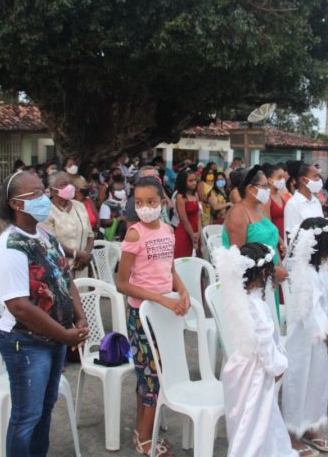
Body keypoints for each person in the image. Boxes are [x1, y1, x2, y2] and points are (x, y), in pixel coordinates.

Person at [0, 170, 89, 456]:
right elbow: (19, 306)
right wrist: (64, 335)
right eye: (34, 194)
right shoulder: (10, 247)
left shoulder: (44, 235)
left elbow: (65, 278)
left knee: (45, 408)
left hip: (53, 338)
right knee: (27, 415)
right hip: (26, 342)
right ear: (15, 204)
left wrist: (79, 317)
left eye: (43, 191)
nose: (43, 197)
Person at [116, 176, 190, 457]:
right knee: (150, 377)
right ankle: (145, 439)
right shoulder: (134, 234)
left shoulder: (168, 231)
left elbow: (169, 270)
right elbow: (122, 284)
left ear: (162, 202)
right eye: (139, 203)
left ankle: (143, 430)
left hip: (164, 314)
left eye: (150, 201)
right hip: (142, 315)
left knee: (157, 374)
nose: (145, 208)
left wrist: (182, 291)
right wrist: (160, 298)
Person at [213, 243, 301, 457]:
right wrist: (279, 366)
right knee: (253, 423)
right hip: (256, 372)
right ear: (263, 273)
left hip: (239, 367)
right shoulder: (258, 307)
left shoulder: (241, 299)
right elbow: (265, 346)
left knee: (248, 420)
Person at [283, 218, 328, 453]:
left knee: (317, 381)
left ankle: (310, 424)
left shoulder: (320, 267)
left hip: (321, 335)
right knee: (300, 381)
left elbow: (326, 304)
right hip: (305, 338)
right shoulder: (303, 271)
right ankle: (291, 431)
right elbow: (311, 311)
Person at [224, 166, 287, 320]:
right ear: (251, 189)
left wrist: (278, 266)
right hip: (252, 285)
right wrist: (272, 271)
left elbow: (271, 241)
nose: (268, 190)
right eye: (264, 186)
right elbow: (239, 256)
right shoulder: (238, 213)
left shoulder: (259, 208)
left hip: (268, 280)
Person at [40, 172, 94, 279]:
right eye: (64, 184)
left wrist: (85, 256)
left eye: (70, 183)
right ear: (52, 190)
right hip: (60, 268)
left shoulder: (79, 206)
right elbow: (51, 243)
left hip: (82, 266)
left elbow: (90, 235)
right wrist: (78, 255)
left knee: (82, 289)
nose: (69, 187)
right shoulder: (45, 211)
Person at [283, 161, 324, 242]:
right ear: (303, 180)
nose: (319, 179)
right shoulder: (293, 204)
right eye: (315, 176)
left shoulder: (315, 201)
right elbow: (291, 236)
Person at [173, 169, 201, 258]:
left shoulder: (195, 195)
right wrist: (192, 235)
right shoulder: (180, 197)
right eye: (190, 181)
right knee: (183, 260)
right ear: (183, 182)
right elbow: (184, 219)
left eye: (195, 180)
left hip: (196, 233)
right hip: (185, 233)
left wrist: (199, 232)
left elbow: (198, 216)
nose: (194, 183)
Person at [263, 164, 288, 244]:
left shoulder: (282, 194)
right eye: (279, 177)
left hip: (286, 236)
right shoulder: (266, 198)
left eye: (283, 177)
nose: (282, 180)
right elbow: (268, 224)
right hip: (275, 238)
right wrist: (280, 242)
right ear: (270, 180)